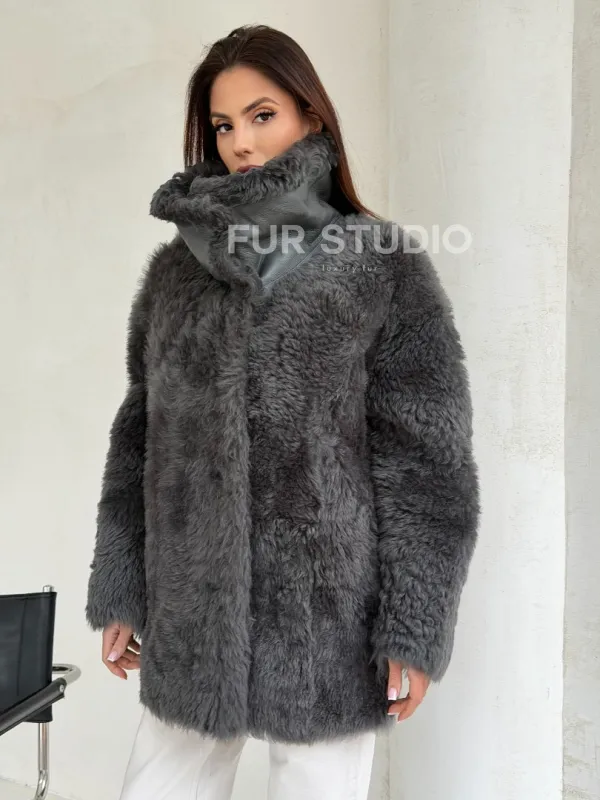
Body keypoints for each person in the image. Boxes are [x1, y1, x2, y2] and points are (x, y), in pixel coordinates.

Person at [85, 22, 480, 800]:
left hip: (328, 618)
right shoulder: (176, 276)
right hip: (192, 609)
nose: (241, 142)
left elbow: (427, 464)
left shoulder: (382, 267)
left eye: (261, 115)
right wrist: (122, 583)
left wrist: (414, 624)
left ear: (310, 115)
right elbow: (138, 442)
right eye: (223, 124)